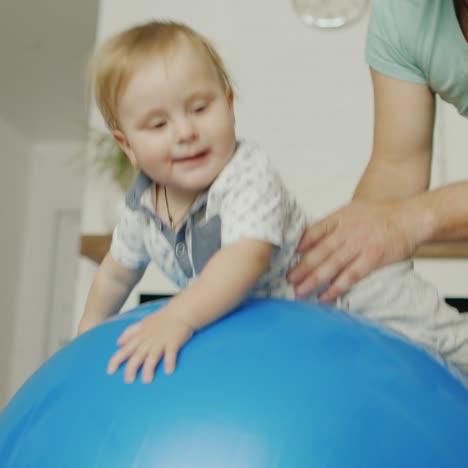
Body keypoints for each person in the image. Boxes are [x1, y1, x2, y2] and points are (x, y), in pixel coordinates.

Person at [78, 19, 468, 388]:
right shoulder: (143, 205)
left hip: (348, 286)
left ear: (229, 105)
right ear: (127, 145)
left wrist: (177, 316)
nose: (185, 131)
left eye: (200, 108)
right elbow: (116, 273)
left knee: (443, 340)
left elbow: (245, 259)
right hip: (285, 322)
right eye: (159, 124)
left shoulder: (246, 173)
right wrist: (88, 338)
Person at [288, 0, 468, 303]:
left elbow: (401, 218)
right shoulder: (404, 11)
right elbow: (397, 168)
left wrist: (408, 222)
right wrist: (337, 265)